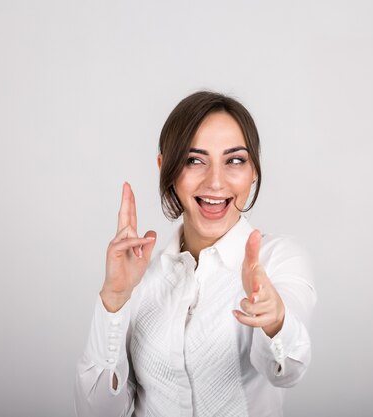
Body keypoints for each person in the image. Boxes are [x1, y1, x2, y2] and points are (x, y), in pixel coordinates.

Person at [74, 91, 317, 417]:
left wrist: (275, 321)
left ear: (254, 169)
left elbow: (287, 370)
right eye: (194, 160)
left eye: (234, 160)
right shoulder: (141, 276)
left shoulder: (279, 260)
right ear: (166, 168)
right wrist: (114, 299)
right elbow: (98, 412)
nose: (215, 182)